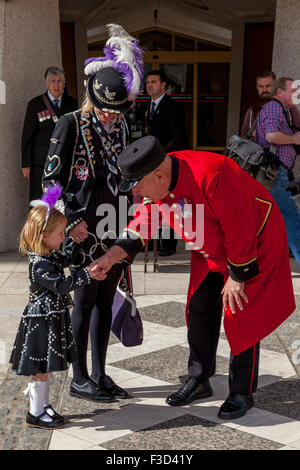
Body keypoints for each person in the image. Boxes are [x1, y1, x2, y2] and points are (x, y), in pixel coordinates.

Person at [90, 135, 295, 420]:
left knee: (241, 314)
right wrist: (110, 257)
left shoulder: (212, 174)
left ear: (159, 176)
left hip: (254, 241)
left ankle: (240, 391)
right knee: (198, 308)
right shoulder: (160, 178)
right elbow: (142, 221)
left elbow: (240, 226)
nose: (135, 194)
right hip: (209, 242)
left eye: (137, 187)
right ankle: (199, 379)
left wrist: (237, 275)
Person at [42, 24, 144, 402]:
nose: (109, 117)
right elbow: (50, 182)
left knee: (106, 299)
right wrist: (70, 222)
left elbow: (128, 172)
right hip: (83, 227)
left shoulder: (122, 125)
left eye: (116, 111)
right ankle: (80, 377)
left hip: (115, 223)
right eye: (104, 110)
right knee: (84, 300)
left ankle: (101, 374)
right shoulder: (69, 124)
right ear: (91, 100)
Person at [9, 185, 104, 430]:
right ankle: (35, 412)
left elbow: (67, 257)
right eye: (60, 233)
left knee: (46, 368)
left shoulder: (50, 254)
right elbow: (61, 284)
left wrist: (72, 240)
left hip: (50, 319)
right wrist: (86, 275)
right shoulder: (39, 264)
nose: (62, 237)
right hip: (40, 322)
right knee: (40, 368)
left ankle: (43, 406)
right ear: (43, 235)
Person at [255, 77, 300, 263]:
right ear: (280, 92)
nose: (297, 94)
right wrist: (294, 139)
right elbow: (271, 135)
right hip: (275, 172)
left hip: (279, 172)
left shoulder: (284, 110)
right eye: (293, 90)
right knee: (291, 218)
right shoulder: (274, 107)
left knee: (279, 219)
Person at [144, 70, 187, 256]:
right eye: (147, 82)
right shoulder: (147, 107)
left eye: (153, 82)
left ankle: (168, 244)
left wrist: (164, 157)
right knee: (154, 200)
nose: (149, 85)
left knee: (169, 201)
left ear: (163, 86)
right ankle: (154, 241)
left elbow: (178, 137)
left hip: (167, 160)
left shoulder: (172, 106)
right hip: (152, 163)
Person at [21, 66, 78, 201]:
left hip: (65, 162)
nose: (56, 85)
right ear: (47, 84)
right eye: (53, 81)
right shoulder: (35, 104)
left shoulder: (72, 103)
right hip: (41, 164)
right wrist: (26, 164)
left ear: (64, 84)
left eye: (59, 81)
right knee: (38, 202)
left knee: (61, 202)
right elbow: (27, 136)